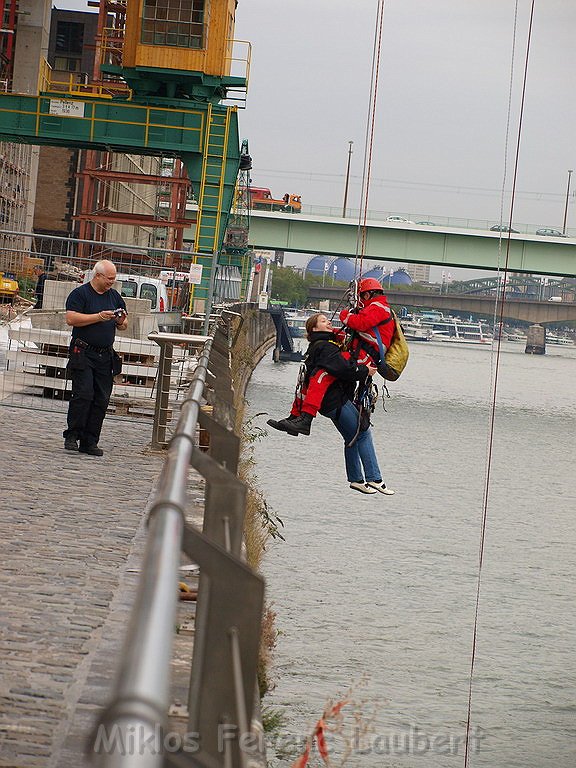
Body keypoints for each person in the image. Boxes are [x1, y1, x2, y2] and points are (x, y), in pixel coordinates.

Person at [272, 312, 394, 495]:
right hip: (336, 401)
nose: (328, 322)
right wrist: (364, 370)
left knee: (351, 437)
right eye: (323, 321)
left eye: (328, 320)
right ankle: (375, 478)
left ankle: (356, 479)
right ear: (314, 328)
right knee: (363, 432)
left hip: (328, 404)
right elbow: (343, 369)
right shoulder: (326, 348)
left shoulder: (318, 346)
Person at [267, 277, 395, 437]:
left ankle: (306, 419)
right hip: (361, 352)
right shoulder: (374, 308)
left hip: (366, 357)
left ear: (368, 295)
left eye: (361, 297)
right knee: (307, 378)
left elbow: (360, 324)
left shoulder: (378, 307)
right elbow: (355, 333)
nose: (360, 301)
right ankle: (296, 417)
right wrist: (333, 332)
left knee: (322, 374)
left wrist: (345, 315)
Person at [63, 259, 128, 456]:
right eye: (109, 278)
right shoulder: (80, 294)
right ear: (97, 276)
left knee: (101, 398)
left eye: (114, 279)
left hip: (105, 354)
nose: (112, 282)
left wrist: (120, 321)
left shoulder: (115, 296)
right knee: (83, 394)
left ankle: (90, 441)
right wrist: (98, 316)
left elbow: (124, 324)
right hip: (83, 352)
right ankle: (73, 434)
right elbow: (71, 319)